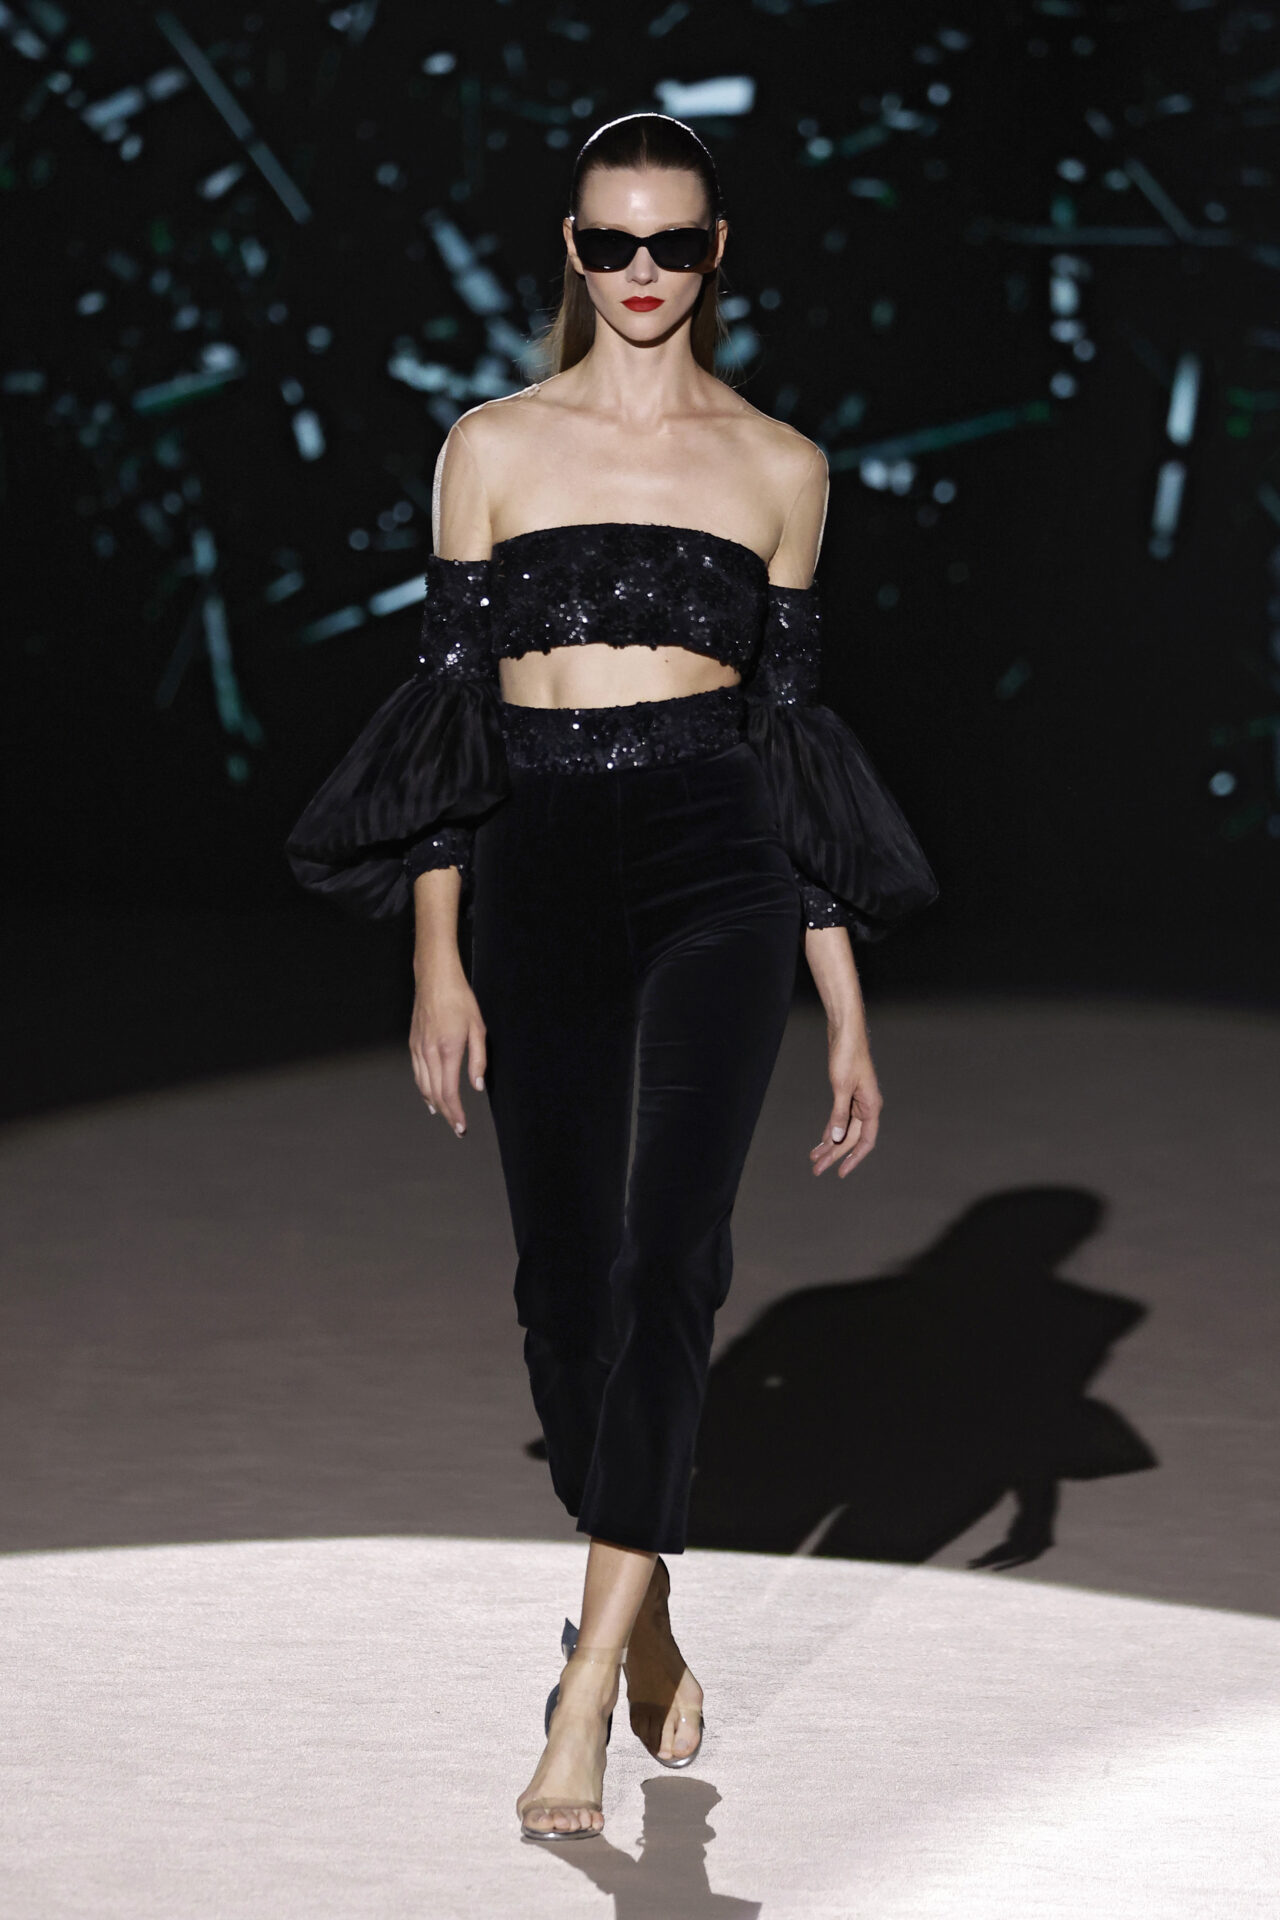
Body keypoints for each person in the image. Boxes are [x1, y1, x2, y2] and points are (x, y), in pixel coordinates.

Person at [286, 112, 937, 1843]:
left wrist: (845, 1002)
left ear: (717, 253)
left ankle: (584, 1681)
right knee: (563, 1285)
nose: (641, 272)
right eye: (609, 242)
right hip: (536, 862)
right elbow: (450, 721)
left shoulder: (782, 466)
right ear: (570, 252)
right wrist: (436, 957)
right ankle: (646, 1607)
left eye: (673, 242)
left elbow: (790, 748)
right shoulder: (491, 447)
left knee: (670, 1263)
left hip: (721, 862)